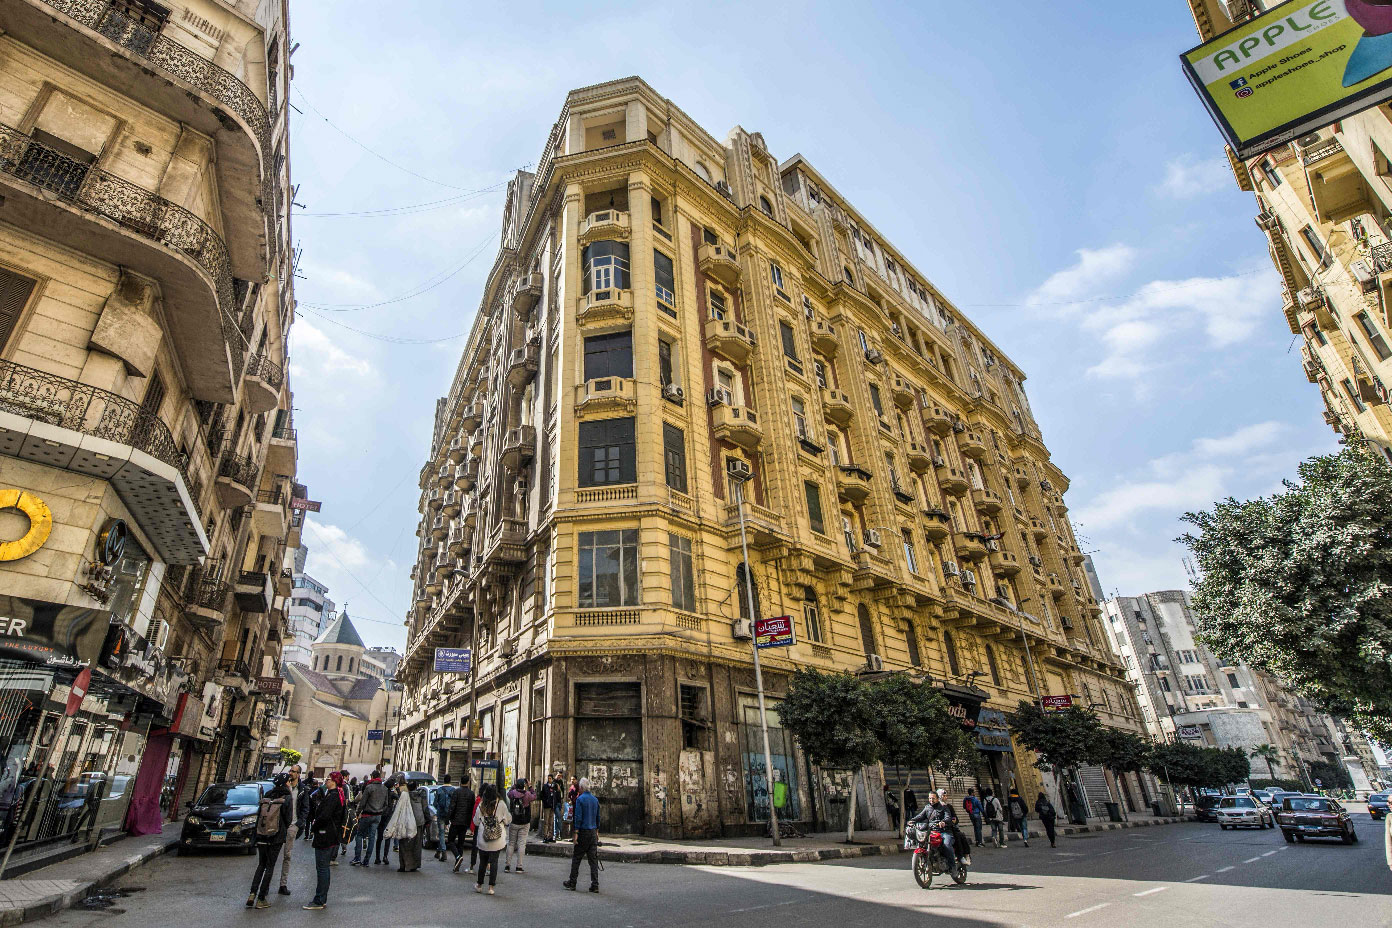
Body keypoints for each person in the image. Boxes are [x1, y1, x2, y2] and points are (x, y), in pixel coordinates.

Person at [247, 774, 292, 909]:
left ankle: (252, 894)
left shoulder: (268, 794)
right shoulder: (287, 797)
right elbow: (288, 818)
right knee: (270, 866)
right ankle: (261, 898)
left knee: (261, 864)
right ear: (286, 783)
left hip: (262, 834)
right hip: (276, 836)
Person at [304, 771, 346, 910]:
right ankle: (321, 898)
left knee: (322, 868)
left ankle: (319, 899)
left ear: (334, 781)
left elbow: (324, 816)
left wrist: (313, 827)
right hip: (330, 835)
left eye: (328, 779)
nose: (326, 781)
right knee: (324, 868)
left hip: (325, 835)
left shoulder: (333, 796)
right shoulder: (337, 795)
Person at [563, 778, 600, 893]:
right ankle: (595, 884)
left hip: (583, 832)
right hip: (593, 832)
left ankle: (572, 882)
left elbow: (578, 817)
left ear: (582, 788)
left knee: (577, 858)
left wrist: (576, 833)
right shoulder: (595, 800)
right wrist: (597, 832)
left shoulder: (580, 800)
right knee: (593, 860)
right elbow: (598, 817)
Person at [472, 783, 511, 894]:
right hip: (497, 838)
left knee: (482, 862)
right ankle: (491, 888)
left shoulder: (481, 805)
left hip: (483, 838)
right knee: (494, 862)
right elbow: (508, 820)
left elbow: (476, 821)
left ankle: (479, 885)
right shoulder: (501, 804)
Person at [908, 790, 958, 875]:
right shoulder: (927, 807)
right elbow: (920, 816)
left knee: (946, 845)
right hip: (931, 832)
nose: (931, 800)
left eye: (933, 798)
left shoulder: (944, 807)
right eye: (930, 798)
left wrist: (943, 822)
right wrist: (912, 821)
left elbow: (948, 817)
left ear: (938, 799)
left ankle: (953, 867)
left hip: (944, 832)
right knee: (923, 842)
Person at [352, 771, 389, 865]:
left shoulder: (369, 787)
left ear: (372, 777)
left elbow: (363, 802)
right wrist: (380, 810)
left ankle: (357, 858)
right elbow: (386, 804)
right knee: (372, 837)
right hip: (378, 816)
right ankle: (366, 860)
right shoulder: (384, 788)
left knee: (359, 835)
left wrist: (357, 813)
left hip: (367, 814)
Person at [277, 765, 303, 894]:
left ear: (298, 774)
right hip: (279, 825)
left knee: (287, 856)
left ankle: (283, 884)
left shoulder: (302, 790)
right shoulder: (282, 788)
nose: (291, 773)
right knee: (273, 856)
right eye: (290, 771)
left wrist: (299, 823)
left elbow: (305, 808)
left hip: (292, 825)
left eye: (293, 771)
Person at [397, 780, 429, 872]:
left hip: (406, 821)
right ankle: (414, 864)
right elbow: (425, 808)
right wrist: (427, 820)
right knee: (417, 844)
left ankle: (404, 864)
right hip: (419, 821)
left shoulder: (404, 796)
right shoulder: (421, 796)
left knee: (404, 843)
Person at [504, 777, 536, 873]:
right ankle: (519, 866)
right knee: (522, 843)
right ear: (524, 785)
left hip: (514, 821)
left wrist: (515, 785)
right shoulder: (527, 795)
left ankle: (507, 865)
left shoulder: (513, 794)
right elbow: (534, 795)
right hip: (524, 822)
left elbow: (508, 792)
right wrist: (530, 786)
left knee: (511, 843)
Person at [447, 777, 477, 871]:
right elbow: (472, 808)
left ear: (460, 782)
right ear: (468, 782)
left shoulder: (456, 792)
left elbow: (452, 806)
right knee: (460, 843)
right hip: (465, 822)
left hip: (456, 821)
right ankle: (457, 863)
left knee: (450, 840)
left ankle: (457, 856)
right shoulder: (471, 793)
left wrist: (448, 818)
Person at [432, 775, 457, 861]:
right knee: (445, 834)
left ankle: (443, 851)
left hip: (441, 814)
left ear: (443, 780)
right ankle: (439, 851)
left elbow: (435, 803)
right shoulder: (454, 791)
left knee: (441, 833)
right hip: (451, 815)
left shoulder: (439, 790)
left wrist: (439, 808)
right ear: (450, 781)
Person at [538, 777, 558, 843]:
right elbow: (541, 795)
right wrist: (545, 801)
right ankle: (545, 836)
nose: (549, 780)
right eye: (548, 778)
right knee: (546, 822)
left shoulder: (554, 786)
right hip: (547, 806)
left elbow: (557, 795)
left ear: (552, 779)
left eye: (550, 778)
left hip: (552, 806)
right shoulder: (545, 786)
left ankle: (550, 836)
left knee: (551, 822)